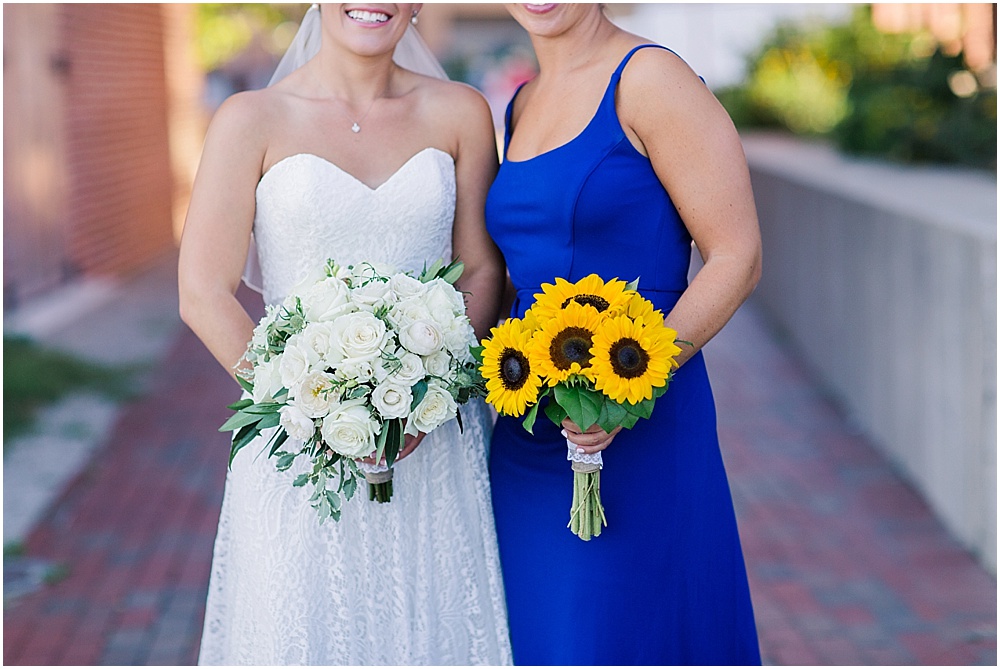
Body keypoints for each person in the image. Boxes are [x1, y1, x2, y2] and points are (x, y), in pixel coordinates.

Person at [178, 4, 512, 664]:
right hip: (298, 448)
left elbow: (482, 267)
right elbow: (203, 292)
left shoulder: (462, 113)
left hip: (433, 440)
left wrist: (429, 391)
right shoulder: (250, 119)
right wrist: (312, 408)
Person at [485, 3, 761, 665]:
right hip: (529, 440)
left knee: (619, 634)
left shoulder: (651, 79)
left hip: (642, 422)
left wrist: (628, 387)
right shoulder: (522, 103)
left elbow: (737, 256)